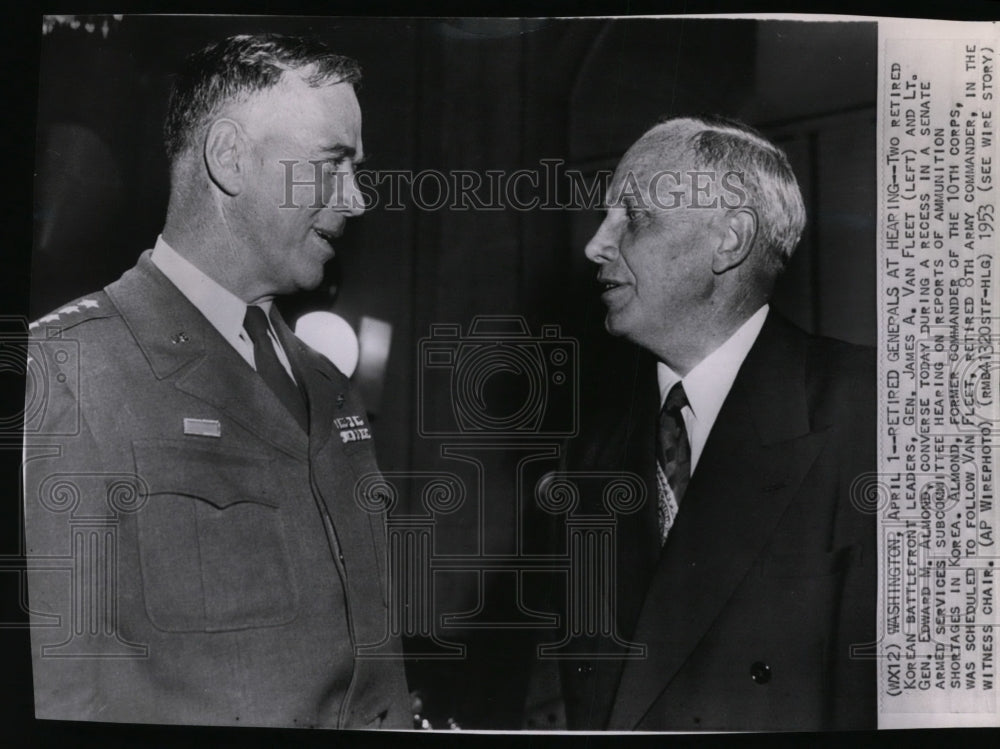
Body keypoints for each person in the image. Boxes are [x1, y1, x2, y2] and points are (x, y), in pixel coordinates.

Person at [22, 34, 410, 728]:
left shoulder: (327, 382)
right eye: (332, 165)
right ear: (230, 158)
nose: (355, 199)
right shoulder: (68, 371)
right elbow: (61, 695)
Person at [557, 115, 876, 731]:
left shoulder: (871, 411)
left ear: (729, 239)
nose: (596, 244)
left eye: (633, 216)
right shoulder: (591, 452)